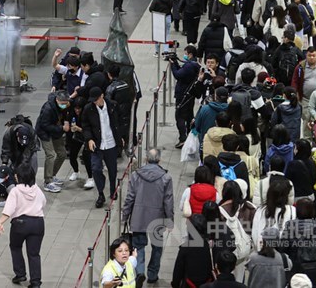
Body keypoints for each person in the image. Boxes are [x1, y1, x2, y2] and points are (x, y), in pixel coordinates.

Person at [121, 148, 174, 285]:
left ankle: (139, 272)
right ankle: (152, 274)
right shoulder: (166, 178)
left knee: (138, 247)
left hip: (139, 217)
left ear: (146, 159)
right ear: (159, 160)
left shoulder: (135, 175)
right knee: (157, 247)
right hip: (157, 219)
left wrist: (125, 216)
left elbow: (129, 198)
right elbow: (168, 201)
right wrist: (170, 220)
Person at [0, 163, 46, 288]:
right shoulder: (37, 189)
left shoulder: (15, 191)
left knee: (15, 247)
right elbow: (43, 202)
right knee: (34, 254)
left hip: (20, 225)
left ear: (19, 177)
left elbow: (9, 209)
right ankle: (35, 282)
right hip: (38, 224)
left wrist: (0, 222)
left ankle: (20, 274)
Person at [81, 87, 121, 208]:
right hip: (97, 145)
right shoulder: (88, 109)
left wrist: (122, 137)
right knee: (96, 169)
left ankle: (113, 189)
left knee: (112, 169)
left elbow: (119, 122)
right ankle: (100, 194)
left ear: (102, 96)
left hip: (111, 143)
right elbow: (85, 125)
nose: (95, 102)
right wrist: (89, 139)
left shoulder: (112, 106)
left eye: (96, 99)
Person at [36, 91, 68, 192]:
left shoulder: (65, 104)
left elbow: (65, 114)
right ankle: (48, 181)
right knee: (50, 155)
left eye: (65, 103)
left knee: (62, 154)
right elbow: (45, 125)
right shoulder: (48, 109)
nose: (64, 105)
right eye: (62, 103)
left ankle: (52, 175)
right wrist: (62, 128)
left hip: (56, 130)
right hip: (45, 132)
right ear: (57, 100)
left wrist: (66, 121)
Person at [171, 214, 215, 287]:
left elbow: (178, 269)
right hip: (205, 283)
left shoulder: (185, 247)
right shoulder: (206, 245)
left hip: (189, 283)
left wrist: (175, 284)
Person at [171, 45, 200, 147]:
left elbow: (178, 75)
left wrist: (172, 65)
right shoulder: (193, 64)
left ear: (190, 54)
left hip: (183, 94)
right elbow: (182, 73)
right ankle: (189, 135)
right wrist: (176, 63)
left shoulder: (189, 66)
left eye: (186, 53)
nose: (184, 55)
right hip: (189, 94)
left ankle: (183, 138)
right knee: (188, 115)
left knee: (180, 116)